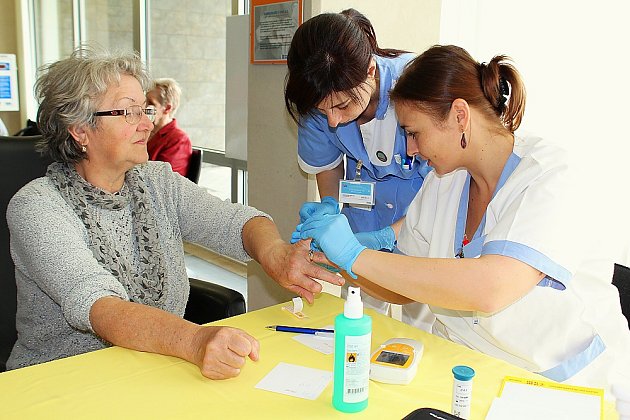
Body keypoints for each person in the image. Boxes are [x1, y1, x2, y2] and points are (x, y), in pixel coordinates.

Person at [294, 45, 630, 391]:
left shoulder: (552, 176)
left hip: (562, 384)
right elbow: (406, 287)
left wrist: (356, 254)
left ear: (459, 116)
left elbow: (490, 288)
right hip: (467, 372)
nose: (410, 149)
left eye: (414, 133)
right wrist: (337, 260)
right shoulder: (445, 182)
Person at [5, 47, 343, 379]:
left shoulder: (157, 181)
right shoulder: (37, 207)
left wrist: (275, 253)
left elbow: (235, 222)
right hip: (59, 384)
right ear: (80, 130)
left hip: (153, 370)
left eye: (145, 110)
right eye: (128, 113)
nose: (145, 125)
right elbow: (101, 307)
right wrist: (195, 341)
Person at [284, 8, 432, 316]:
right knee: (359, 322)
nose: (334, 121)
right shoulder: (318, 97)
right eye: (324, 112)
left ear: (370, 70)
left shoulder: (419, 89)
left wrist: (389, 235)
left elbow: (446, 188)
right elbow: (326, 163)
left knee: (421, 331)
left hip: (424, 231)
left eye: (342, 105)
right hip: (361, 226)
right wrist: (328, 208)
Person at [146, 78, 192, 176]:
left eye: (150, 103)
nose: (145, 107)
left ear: (167, 108)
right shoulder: (145, 131)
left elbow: (164, 180)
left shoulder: (179, 139)